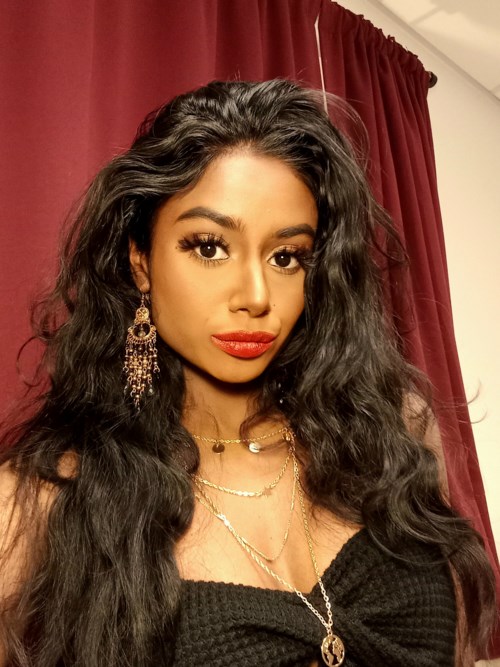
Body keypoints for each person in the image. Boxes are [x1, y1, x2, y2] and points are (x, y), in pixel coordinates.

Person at [0, 79, 495, 667]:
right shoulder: (42, 500)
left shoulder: (393, 438)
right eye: (209, 247)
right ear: (141, 261)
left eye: (287, 256)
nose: (257, 296)